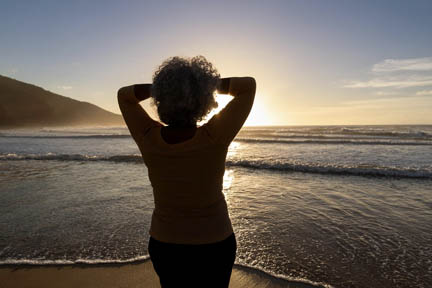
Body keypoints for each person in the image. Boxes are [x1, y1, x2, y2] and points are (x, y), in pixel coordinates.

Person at [117, 56, 256, 287]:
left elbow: (124, 96)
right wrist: (202, 83)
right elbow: (248, 86)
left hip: (165, 242)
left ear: (161, 101)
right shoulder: (214, 137)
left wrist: (164, 87)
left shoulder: (149, 138)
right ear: (203, 101)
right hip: (215, 242)